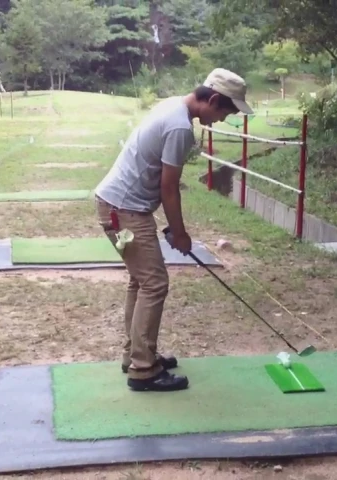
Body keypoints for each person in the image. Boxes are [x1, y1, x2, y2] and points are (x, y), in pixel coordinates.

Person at [94, 68, 253, 392]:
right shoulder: (181, 127)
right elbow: (169, 188)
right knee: (154, 284)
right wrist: (179, 233)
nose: (223, 119)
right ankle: (143, 370)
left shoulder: (172, 106)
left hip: (114, 206)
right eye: (226, 111)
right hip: (124, 211)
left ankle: (136, 354)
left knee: (142, 281)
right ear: (211, 99)